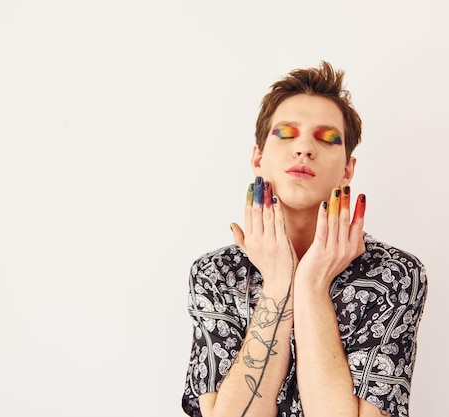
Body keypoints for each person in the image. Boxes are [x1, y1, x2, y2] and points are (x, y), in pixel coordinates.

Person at [181, 61, 427, 417]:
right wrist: (279, 283)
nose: (304, 148)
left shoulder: (395, 276)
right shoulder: (217, 273)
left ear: (347, 169)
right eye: (286, 133)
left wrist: (311, 285)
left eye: (327, 138)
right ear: (258, 158)